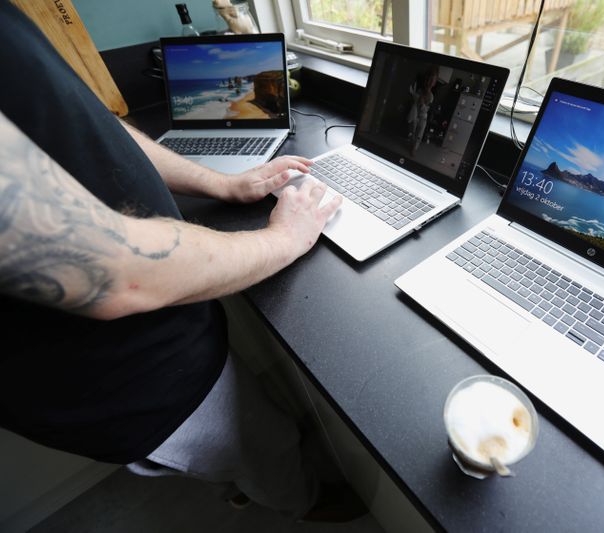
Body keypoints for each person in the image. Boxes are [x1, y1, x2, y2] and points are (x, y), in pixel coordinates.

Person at [0, 1, 361, 522]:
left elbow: (87, 123)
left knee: (255, 421)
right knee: (263, 446)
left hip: (164, 330)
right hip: (119, 372)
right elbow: (113, 274)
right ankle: (302, 500)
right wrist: (285, 239)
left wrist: (222, 183)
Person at [407, 65, 438, 155]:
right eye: (428, 79)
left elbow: (426, 109)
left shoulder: (431, 96)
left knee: (419, 133)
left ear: (434, 83)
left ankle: (414, 148)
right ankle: (411, 142)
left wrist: (422, 103)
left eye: (431, 81)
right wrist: (415, 95)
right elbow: (415, 98)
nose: (429, 82)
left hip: (423, 117)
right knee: (413, 129)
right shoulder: (420, 91)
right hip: (415, 114)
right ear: (425, 80)